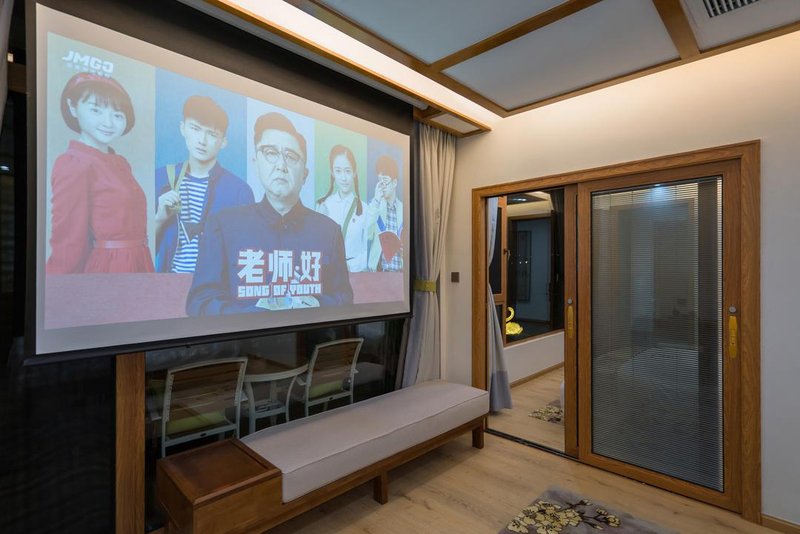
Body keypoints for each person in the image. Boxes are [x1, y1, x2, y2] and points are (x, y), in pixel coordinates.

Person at [186, 112, 353, 315]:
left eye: (291, 157)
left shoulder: (329, 231)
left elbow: (344, 297)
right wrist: (255, 317)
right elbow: (201, 301)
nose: (281, 166)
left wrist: (319, 305)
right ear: (256, 162)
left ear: (304, 174)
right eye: (271, 153)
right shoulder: (223, 225)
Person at [46, 72, 154, 273]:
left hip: (139, 261)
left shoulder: (120, 162)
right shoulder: (74, 163)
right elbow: (68, 242)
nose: (108, 123)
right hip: (110, 269)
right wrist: (60, 287)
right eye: (96, 110)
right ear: (72, 107)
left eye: (117, 115)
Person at [154, 95, 254, 273]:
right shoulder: (161, 179)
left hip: (214, 287)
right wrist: (160, 218)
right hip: (168, 284)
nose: (202, 140)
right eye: (195, 129)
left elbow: (246, 253)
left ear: (223, 141)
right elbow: (140, 250)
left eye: (212, 134)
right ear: (183, 128)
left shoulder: (239, 191)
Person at [315, 145, 367, 272]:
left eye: (348, 171)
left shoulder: (365, 209)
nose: (343, 178)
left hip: (355, 275)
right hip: (329, 274)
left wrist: (350, 266)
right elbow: (316, 247)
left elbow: (368, 252)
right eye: (338, 171)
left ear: (354, 173)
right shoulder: (323, 206)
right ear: (332, 173)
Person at [366, 154, 403, 272]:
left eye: (385, 181)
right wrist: (376, 201)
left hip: (400, 274)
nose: (382, 186)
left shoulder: (403, 210)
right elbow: (367, 234)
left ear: (394, 183)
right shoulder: (374, 206)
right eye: (380, 181)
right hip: (379, 273)